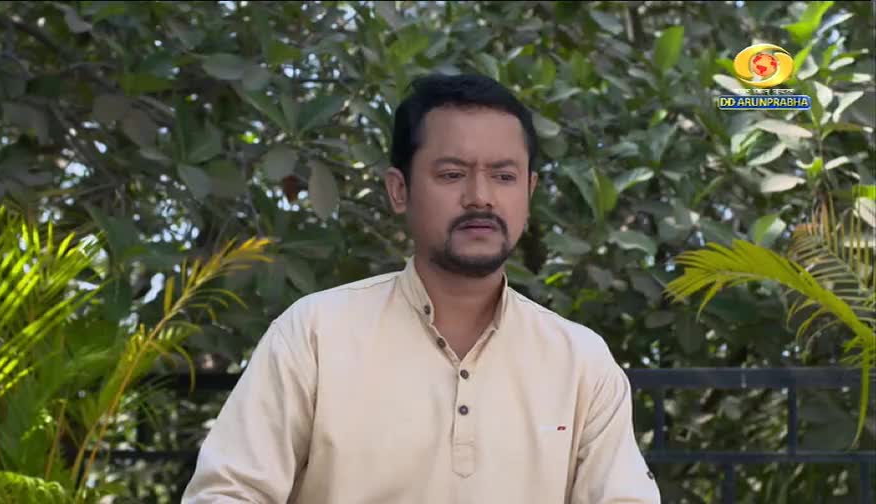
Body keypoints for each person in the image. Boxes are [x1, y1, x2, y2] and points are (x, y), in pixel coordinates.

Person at [181, 73, 661, 504]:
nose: (480, 196)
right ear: (399, 190)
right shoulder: (315, 335)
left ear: (529, 193)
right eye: (452, 174)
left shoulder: (580, 363)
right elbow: (228, 493)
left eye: (504, 176)